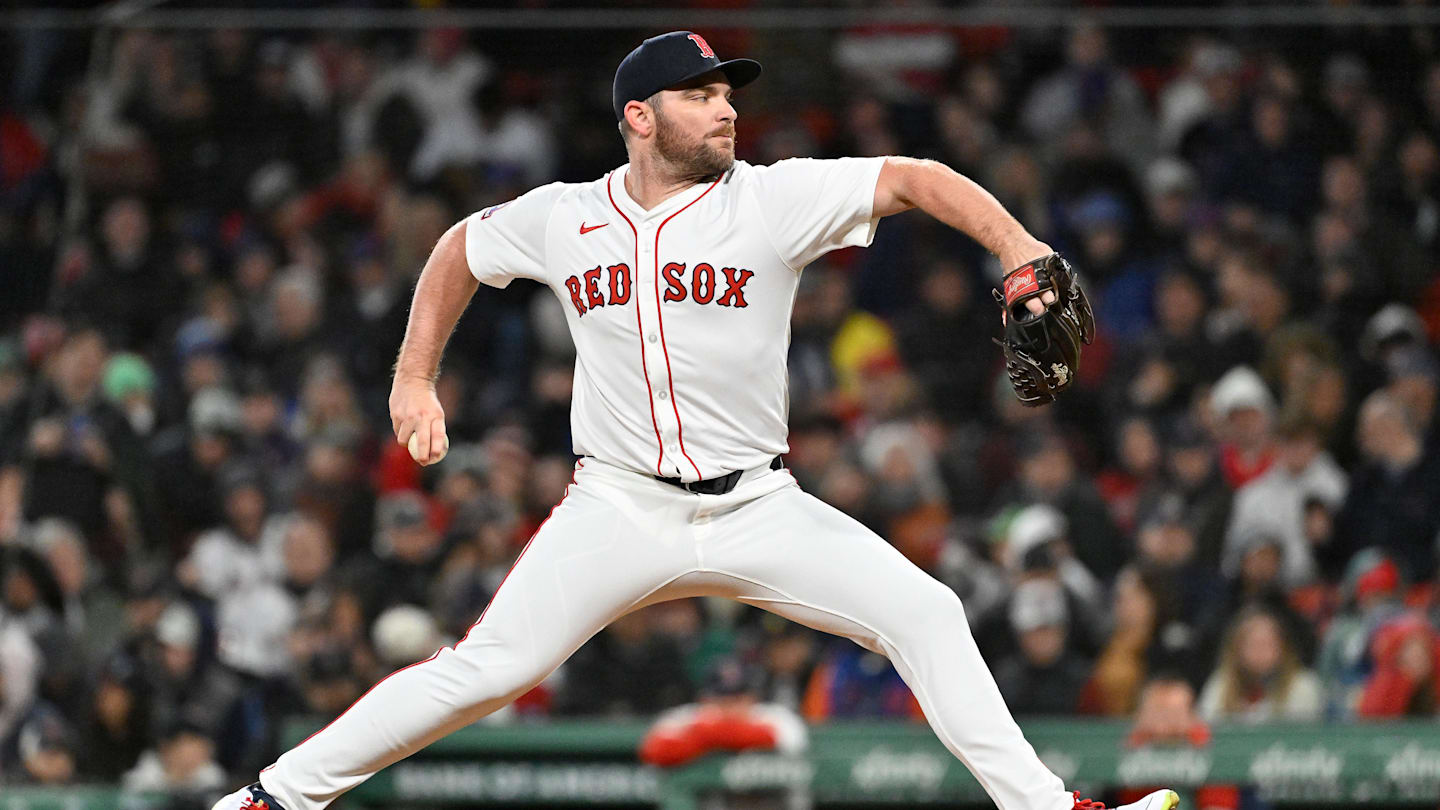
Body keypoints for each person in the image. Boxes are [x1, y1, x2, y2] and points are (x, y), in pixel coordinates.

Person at [213, 32, 1177, 810]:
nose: (725, 107)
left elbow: (911, 176)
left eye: (728, 93)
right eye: (701, 93)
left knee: (927, 611)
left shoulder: (770, 199)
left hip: (760, 504)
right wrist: (413, 377)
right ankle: (272, 798)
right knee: (483, 670)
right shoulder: (565, 216)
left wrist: (1016, 248)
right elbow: (461, 247)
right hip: (618, 507)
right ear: (640, 115)